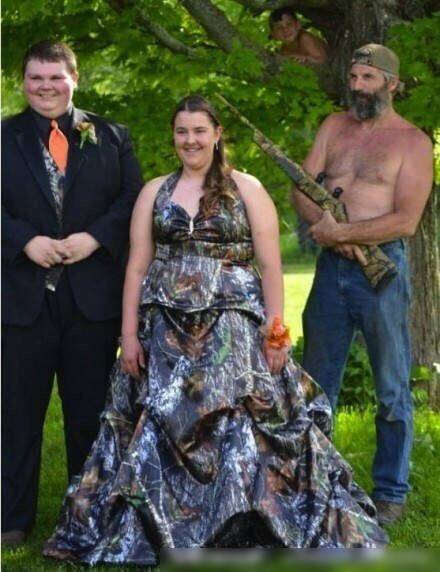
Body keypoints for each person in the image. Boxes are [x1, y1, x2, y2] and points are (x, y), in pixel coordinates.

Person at [43, 95, 387, 566]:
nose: (190, 140)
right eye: (182, 131)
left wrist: (276, 333)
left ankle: (238, 526)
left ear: (218, 134)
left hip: (232, 328)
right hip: (166, 332)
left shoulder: (247, 188)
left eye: (199, 131)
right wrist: (129, 335)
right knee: (160, 418)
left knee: (238, 420)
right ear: (174, 136)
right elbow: (137, 267)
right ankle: (163, 530)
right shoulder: (155, 191)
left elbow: (270, 265)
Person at [1, 40, 143, 546]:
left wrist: (96, 237)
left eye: (55, 77)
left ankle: (86, 517)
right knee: (17, 415)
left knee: (89, 415)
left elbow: (134, 199)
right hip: (21, 298)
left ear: (74, 79)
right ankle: (12, 519)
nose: (46, 87)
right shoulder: (3, 136)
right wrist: (24, 240)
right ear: (24, 82)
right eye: (36, 78)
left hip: (92, 300)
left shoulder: (112, 136)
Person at [291, 44, 433, 526]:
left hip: (382, 270)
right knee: (315, 383)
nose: (357, 86)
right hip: (331, 268)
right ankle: (315, 483)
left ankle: (390, 493)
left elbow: (406, 220)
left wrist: (345, 234)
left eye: (368, 78)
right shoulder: (334, 126)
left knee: (391, 387)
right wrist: (326, 229)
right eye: (353, 76)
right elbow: (301, 186)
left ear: (391, 83)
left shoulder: (413, 142)